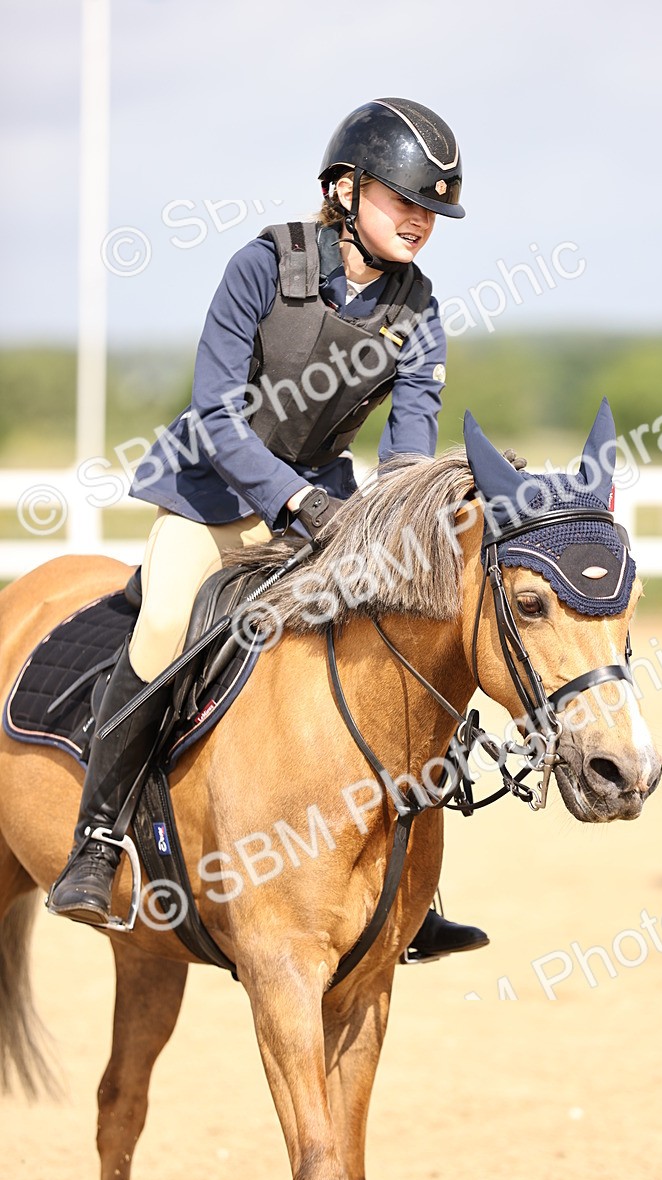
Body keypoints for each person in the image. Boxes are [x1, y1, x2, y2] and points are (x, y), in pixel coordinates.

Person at [48, 97, 489, 962]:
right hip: (214, 495)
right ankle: (96, 842)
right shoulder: (260, 266)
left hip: (328, 505)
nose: (421, 221)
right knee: (167, 626)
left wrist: (393, 521)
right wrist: (297, 505)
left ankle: (413, 885)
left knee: (399, 644)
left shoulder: (420, 308)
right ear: (346, 189)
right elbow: (216, 415)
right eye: (405, 201)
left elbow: (410, 442)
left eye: (433, 210)